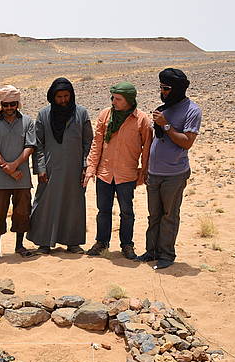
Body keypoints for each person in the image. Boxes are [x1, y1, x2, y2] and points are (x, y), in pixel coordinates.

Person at [137, 68, 202, 269]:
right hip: (154, 172)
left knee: (169, 215)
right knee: (154, 215)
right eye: (161, 88)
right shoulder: (163, 108)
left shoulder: (192, 110)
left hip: (174, 173)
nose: (162, 92)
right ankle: (152, 251)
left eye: (166, 88)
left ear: (177, 89)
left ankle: (167, 254)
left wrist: (166, 125)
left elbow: (187, 142)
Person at [84, 82, 153, 259]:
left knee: (127, 211)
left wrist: (143, 171)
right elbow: (97, 143)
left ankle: (127, 245)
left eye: (118, 99)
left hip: (127, 174)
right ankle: (101, 243)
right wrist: (91, 167)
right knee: (103, 210)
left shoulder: (141, 119)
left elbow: (147, 148)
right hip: (105, 173)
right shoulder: (105, 115)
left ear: (129, 100)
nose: (113, 101)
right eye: (113, 97)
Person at [28, 78, 93, 254]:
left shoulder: (81, 113)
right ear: (52, 97)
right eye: (59, 97)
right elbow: (38, 144)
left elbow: (88, 142)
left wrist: (85, 166)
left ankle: (72, 242)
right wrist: (40, 168)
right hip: (50, 169)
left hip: (74, 170)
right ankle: (43, 243)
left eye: (66, 96)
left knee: (74, 204)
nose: (63, 100)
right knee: (45, 204)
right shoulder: (43, 115)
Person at [0, 85, 37, 263]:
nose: (9, 108)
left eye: (12, 104)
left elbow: (30, 146)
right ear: (1, 105)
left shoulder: (28, 122)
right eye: (5, 105)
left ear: (18, 103)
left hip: (21, 178)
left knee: (22, 212)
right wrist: (7, 168)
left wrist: (14, 166)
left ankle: (19, 246)